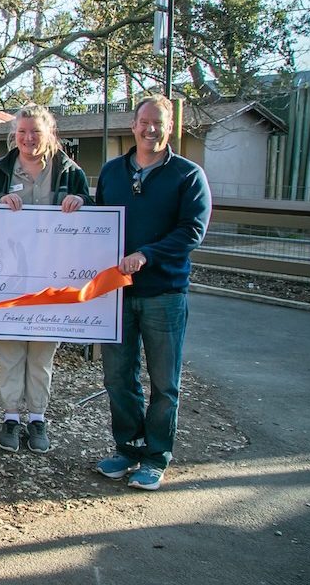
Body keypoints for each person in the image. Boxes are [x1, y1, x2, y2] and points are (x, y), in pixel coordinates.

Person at [94, 94, 211, 490]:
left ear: (169, 127)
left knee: (165, 381)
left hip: (165, 292)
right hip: (118, 293)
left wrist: (147, 254)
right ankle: (127, 448)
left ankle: (156, 454)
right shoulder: (112, 173)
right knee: (117, 377)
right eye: (144, 122)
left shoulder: (188, 176)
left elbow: (191, 231)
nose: (150, 129)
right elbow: (98, 226)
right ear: (134, 125)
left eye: (158, 123)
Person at [0, 104, 91, 454]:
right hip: (7, 276)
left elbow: (94, 214)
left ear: (49, 133)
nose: (27, 138)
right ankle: (10, 417)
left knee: (41, 353)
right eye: (22, 132)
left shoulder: (69, 172)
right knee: (8, 352)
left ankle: (37, 417)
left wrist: (79, 200)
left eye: (35, 132)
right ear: (14, 135)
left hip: (51, 277)